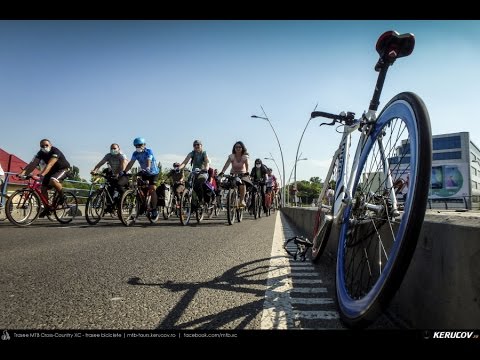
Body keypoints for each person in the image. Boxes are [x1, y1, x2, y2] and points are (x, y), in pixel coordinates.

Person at [18, 139, 71, 217]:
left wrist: (42, 175)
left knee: (53, 180)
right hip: (52, 171)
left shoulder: (55, 151)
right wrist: (22, 173)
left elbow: (50, 164)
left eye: (46, 145)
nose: (44, 147)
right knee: (43, 188)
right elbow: (33, 164)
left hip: (63, 169)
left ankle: (62, 196)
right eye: (42, 146)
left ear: (50, 145)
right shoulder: (40, 153)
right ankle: (47, 209)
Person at [123, 137, 160, 218]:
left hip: (153, 172)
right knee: (140, 188)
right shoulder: (135, 153)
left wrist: (148, 167)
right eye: (136, 146)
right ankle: (142, 206)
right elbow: (131, 163)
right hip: (144, 172)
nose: (138, 147)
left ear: (144, 145)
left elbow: (149, 160)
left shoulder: (149, 151)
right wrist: (125, 171)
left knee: (152, 189)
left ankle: (154, 209)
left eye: (140, 145)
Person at [91, 143, 129, 211]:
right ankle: (110, 206)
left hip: (123, 174)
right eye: (111, 148)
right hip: (114, 175)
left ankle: (124, 200)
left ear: (119, 149)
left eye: (114, 148)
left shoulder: (121, 155)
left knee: (118, 185)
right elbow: (101, 163)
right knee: (109, 188)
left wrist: (118, 173)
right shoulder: (108, 156)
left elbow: (122, 165)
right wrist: (95, 170)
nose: (113, 150)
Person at [219, 141, 251, 207]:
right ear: (234, 148)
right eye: (236, 147)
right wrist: (222, 172)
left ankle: (242, 200)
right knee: (230, 185)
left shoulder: (244, 157)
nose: (238, 148)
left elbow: (247, 165)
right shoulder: (232, 156)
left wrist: (247, 172)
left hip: (243, 174)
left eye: (239, 147)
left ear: (242, 148)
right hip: (233, 173)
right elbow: (226, 165)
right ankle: (231, 198)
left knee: (242, 185)